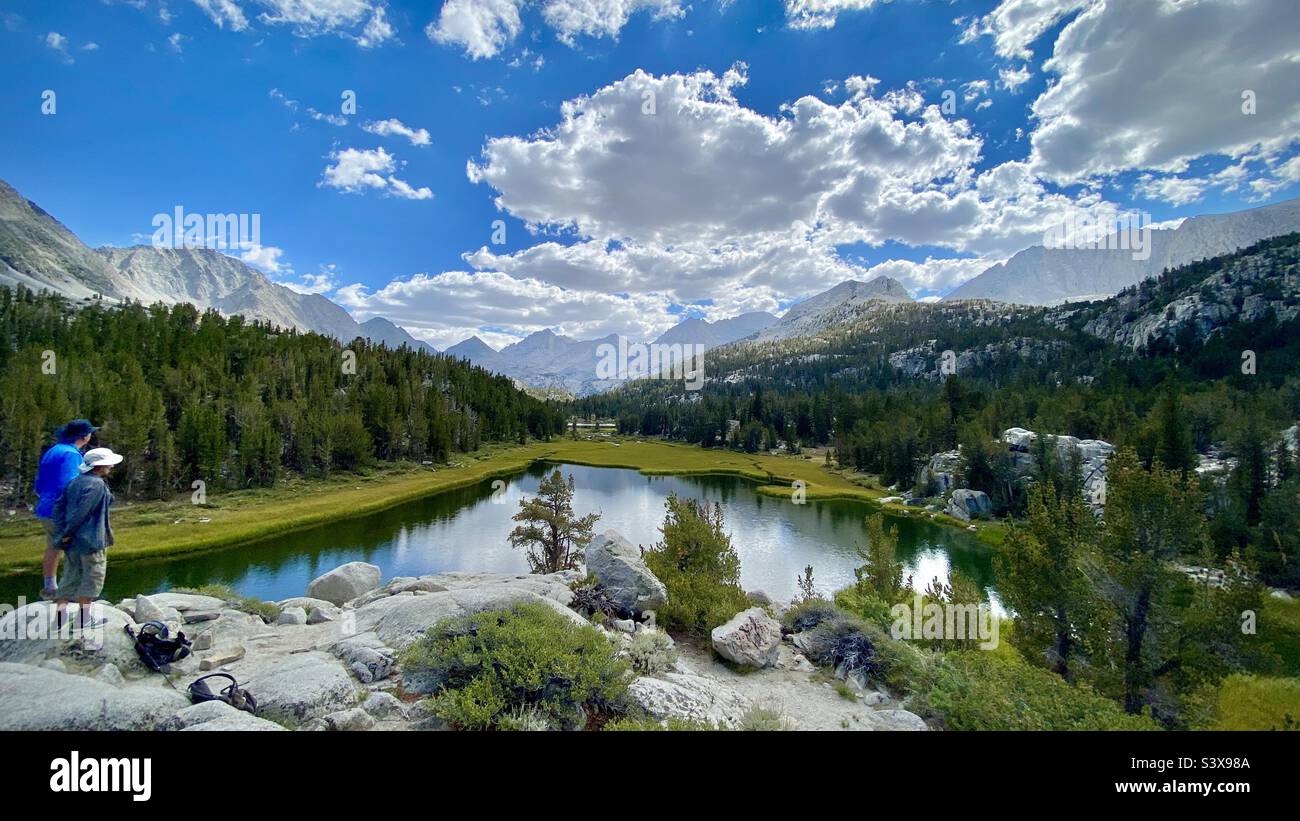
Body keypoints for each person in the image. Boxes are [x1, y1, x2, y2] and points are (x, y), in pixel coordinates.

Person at [52, 447, 122, 631]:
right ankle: (83, 619)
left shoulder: (75, 482)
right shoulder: (97, 485)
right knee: (93, 577)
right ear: (99, 466)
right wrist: (68, 532)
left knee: (70, 575)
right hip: (91, 540)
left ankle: (60, 618)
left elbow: (59, 507)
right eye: (109, 463)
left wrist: (62, 535)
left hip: (71, 542)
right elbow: (82, 513)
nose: (112, 466)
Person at [32, 419, 98, 599]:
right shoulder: (72, 455)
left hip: (45, 508)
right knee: (74, 551)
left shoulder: (53, 450)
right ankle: (70, 594)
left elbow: (38, 483)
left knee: (53, 547)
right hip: (61, 512)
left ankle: (50, 588)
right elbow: (69, 484)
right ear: (84, 436)